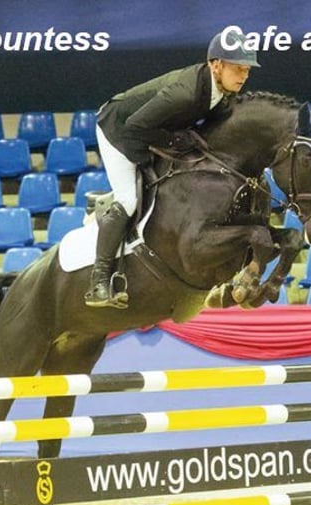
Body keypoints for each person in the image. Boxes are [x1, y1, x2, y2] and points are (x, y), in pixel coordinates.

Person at [85, 30, 260, 308]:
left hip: (151, 130)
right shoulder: (186, 92)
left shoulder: (219, 91)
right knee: (128, 200)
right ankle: (99, 281)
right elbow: (135, 127)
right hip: (118, 130)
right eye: (238, 68)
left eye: (247, 69)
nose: (244, 75)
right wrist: (175, 140)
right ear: (216, 65)